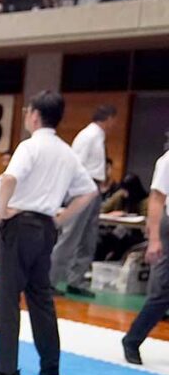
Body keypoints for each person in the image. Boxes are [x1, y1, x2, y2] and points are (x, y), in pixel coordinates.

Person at [0, 91, 98, 375]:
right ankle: (50, 367)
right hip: (46, 227)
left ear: (34, 115)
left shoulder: (30, 147)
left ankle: (7, 369)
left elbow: (9, 179)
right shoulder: (67, 152)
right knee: (41, 297)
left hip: (21, 225)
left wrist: (1, 213)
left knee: (8, 298)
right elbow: (89, 191)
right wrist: (62, 217)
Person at [50, 105, 117, 298]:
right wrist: (79, 191)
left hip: (94, 188)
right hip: (83, 189)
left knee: (88, 237)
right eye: (114, 121)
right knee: (70, 237)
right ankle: (50, 280)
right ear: (108, 118)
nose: (114, 125)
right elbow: (74, 164)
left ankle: (76, 280)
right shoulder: (87, 136)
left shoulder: (99, 137)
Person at [122, 150, 169, 365]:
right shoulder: (167, 160)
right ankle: (132, 340)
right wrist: (155, 239)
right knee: (162, 292)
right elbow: (157, 199)